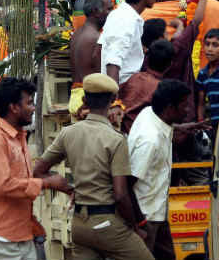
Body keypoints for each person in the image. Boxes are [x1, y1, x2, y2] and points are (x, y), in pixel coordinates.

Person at [35, 73, 153, 260]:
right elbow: (121, 194)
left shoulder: (68, 133)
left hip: (79, 225)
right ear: (113, 101)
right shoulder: (115, 139)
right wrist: (135, 227)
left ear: (84, 99)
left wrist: (67, 188)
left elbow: (38, 171)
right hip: (107, 222)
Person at [0, 77, 73, 260]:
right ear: (14, 107)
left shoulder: (18, 138)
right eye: (29, 103)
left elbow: (20, 186)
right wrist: (47, 183)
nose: (33, 108)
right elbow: (5, 185)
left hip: (19, 239)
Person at [128, 80, 191, 259]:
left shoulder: (150, 113)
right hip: (147, 216)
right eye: (184, 105)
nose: (187, 110)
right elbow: (127, 182)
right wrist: (139, 222)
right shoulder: (150, 140)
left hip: (158, 212)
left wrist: (181, 127)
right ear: (170, 107)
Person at [140, 0, 214, 124]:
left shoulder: (145, 59)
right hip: (183, 116)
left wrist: (179, 26)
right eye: (166, 32)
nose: (169, 34)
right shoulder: (176, 50)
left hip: (156, 118)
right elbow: (196, 21)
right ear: (161, 39)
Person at [98, 0, 159, 85]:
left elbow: (98, 52)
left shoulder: (119, 14)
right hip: (123, 89)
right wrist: (114, 100)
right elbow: (113, 61)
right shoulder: (127, 19)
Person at [69, 0, 113, 117]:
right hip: (88, 104)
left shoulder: (77, 34)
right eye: (109, 9)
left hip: (75, 97)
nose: (111, 13)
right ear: (95, 11)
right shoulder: (96, 38)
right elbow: (101, 77)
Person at [119, 39, 174, 133]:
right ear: (170, 65)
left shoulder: (134, 77)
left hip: (121, 130)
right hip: (139, 136)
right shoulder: (161, 89)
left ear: (147, 59)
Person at [196, 28, 219, 130]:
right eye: (207, 44)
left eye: (215, 45)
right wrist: (201, 122)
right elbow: (201, 103)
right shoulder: (202, 74)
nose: (209, 49)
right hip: (215, 125)